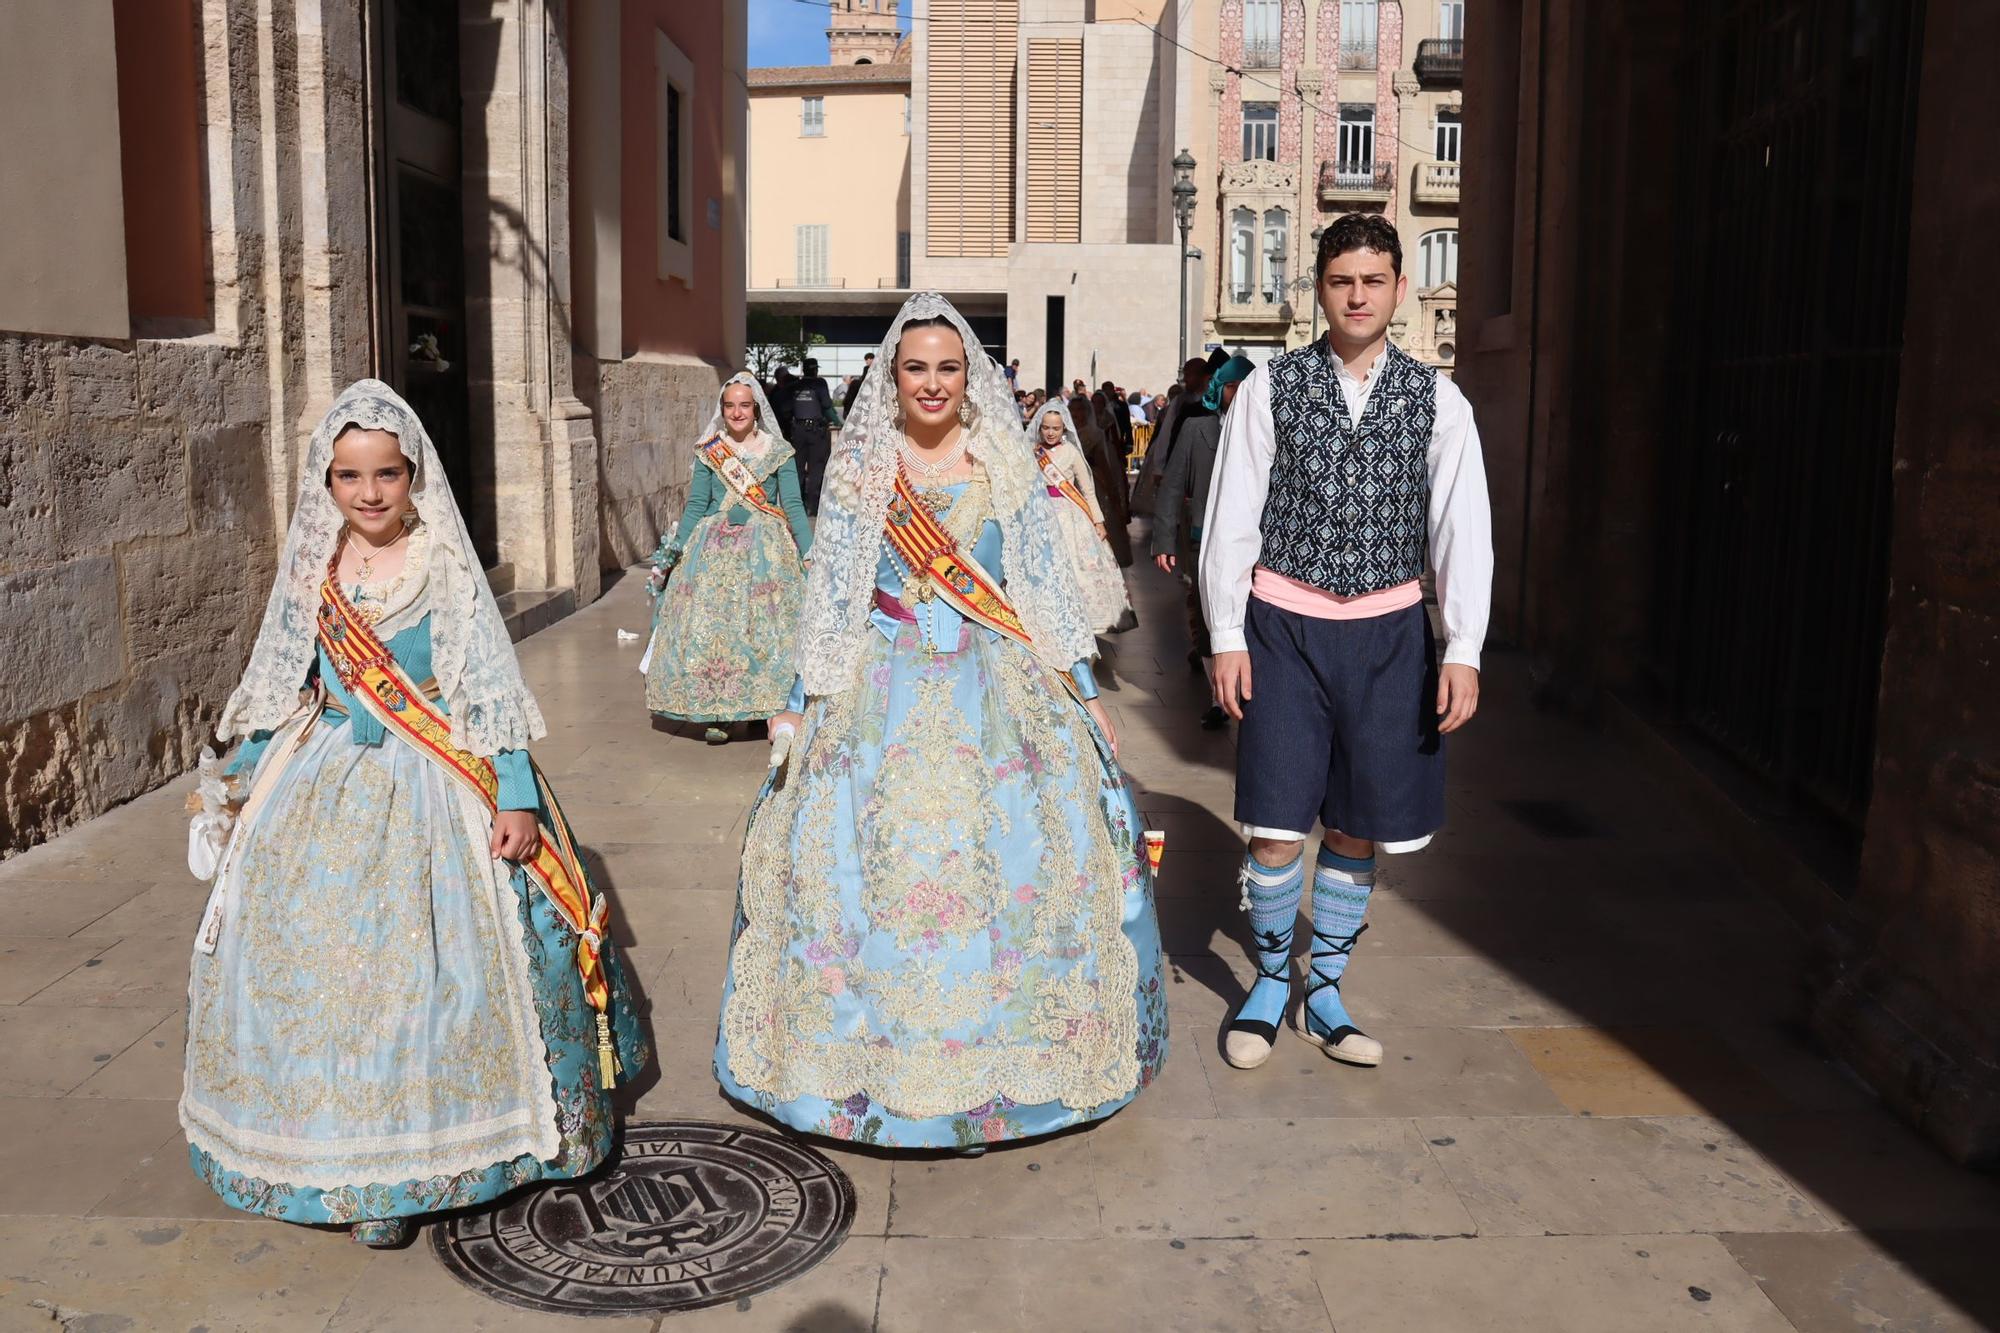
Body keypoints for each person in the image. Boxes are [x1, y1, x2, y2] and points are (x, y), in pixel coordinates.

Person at [183, 380, 649, 1248]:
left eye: (386, 474)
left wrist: (514, 791)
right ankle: (351, 1164)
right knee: (327, 967)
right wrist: (237, 775)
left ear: (412, 475)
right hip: (323, 777)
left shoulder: (441, 561)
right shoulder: (314, 569)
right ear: (325, 485)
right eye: (349, 476)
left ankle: (424, 1158)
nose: (368, 493)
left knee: (424, 972)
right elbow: (289, 682)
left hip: (434, 771)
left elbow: (484, 685)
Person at [715, 293, 1167, 1149]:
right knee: (853, 864)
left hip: (996, 681)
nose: (931, 383)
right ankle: (865, 1064)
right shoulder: (861, 467)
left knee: (1019, 857)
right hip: (878, 685)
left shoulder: (1005, 464)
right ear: (892, 376)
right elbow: (834, 594)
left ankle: (1019, 1062)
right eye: (915, 367)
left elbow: (1040, 590)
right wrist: (803, 700)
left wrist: (1085, 689)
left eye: (948, 368)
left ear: (973, 379)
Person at [1201, 213, 1492, 1073]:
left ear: (1400, 289)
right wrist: (1225, 632)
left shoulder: (1440, 400)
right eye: (1340, 280)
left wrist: (1465, 645)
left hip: (1393, 635)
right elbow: (1233, 514)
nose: (1357, 294)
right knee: (1275, 823)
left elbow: (1460, 527)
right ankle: (1266, 982)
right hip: (1283, 629)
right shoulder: (1269, 385)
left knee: (1360, 827)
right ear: (1320, 290)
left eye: (1373, 279)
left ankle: (1323, 988)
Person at [645, 374, 814, 742]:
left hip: (765, 550)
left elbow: (794, 507)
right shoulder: (710, 450)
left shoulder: (779, 452)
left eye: (744, 405)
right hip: (712, 552)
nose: (737, 412)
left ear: (756, 410)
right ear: (722, 410)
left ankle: (764, 704)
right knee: (714, 630)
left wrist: (809, 552)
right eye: (730, 405)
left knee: (763, 629)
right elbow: (696, 507)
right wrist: (674, 554)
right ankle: (716, 711)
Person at [1154, 354, 1253, 726]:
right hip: (1203, 538)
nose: (1239, 393)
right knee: (1208, 613)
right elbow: (1173, 484)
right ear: (1219, 389)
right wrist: (1163, 540)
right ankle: (1218, 698)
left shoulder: (1266, 427)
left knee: (1245, 617)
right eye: (1232, 386)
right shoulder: (1197, 429)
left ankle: (1244, 685)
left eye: (1246, 386)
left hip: (1253, 542)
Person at [1029, 397, 1135, 634]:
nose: (1050, 433)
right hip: (1041, 512)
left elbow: (1087, 490)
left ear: (1064, 428)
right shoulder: (1033, 452)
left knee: (1075, 565)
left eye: (1056, 428)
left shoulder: (1071, 452)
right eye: (1046, 428)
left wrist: (1098, 521)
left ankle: (1077, 614)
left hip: (1069, 514)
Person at [1132, 357, 1214, 509]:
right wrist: (1159, 467)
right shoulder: (1179, 403)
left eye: (1190, 375)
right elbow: (1166, 434)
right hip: (1179, 463)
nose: (1186, 380)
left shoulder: (1213, 399)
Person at [791, 358, 837, 515]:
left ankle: (798, 506)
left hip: (797, 430)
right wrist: (840, 423)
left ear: (804, 370)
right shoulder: (819, 384)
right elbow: (827, 406)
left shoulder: (795, 385)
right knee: (816, 469)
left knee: (797, 468)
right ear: (815, 370)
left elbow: (785, 408)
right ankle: (814, 507)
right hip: (815, 431)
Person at [843, 351, 874, 418]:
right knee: (854, 383)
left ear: (872, 359)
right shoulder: (866, 368)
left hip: (871, 385)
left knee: (854, 383)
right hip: (865, 385)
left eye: (867, 360)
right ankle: (848, 406)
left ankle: (848, 407)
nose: (866, 362)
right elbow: (863, 378)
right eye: (866, 360)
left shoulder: (877, 368)